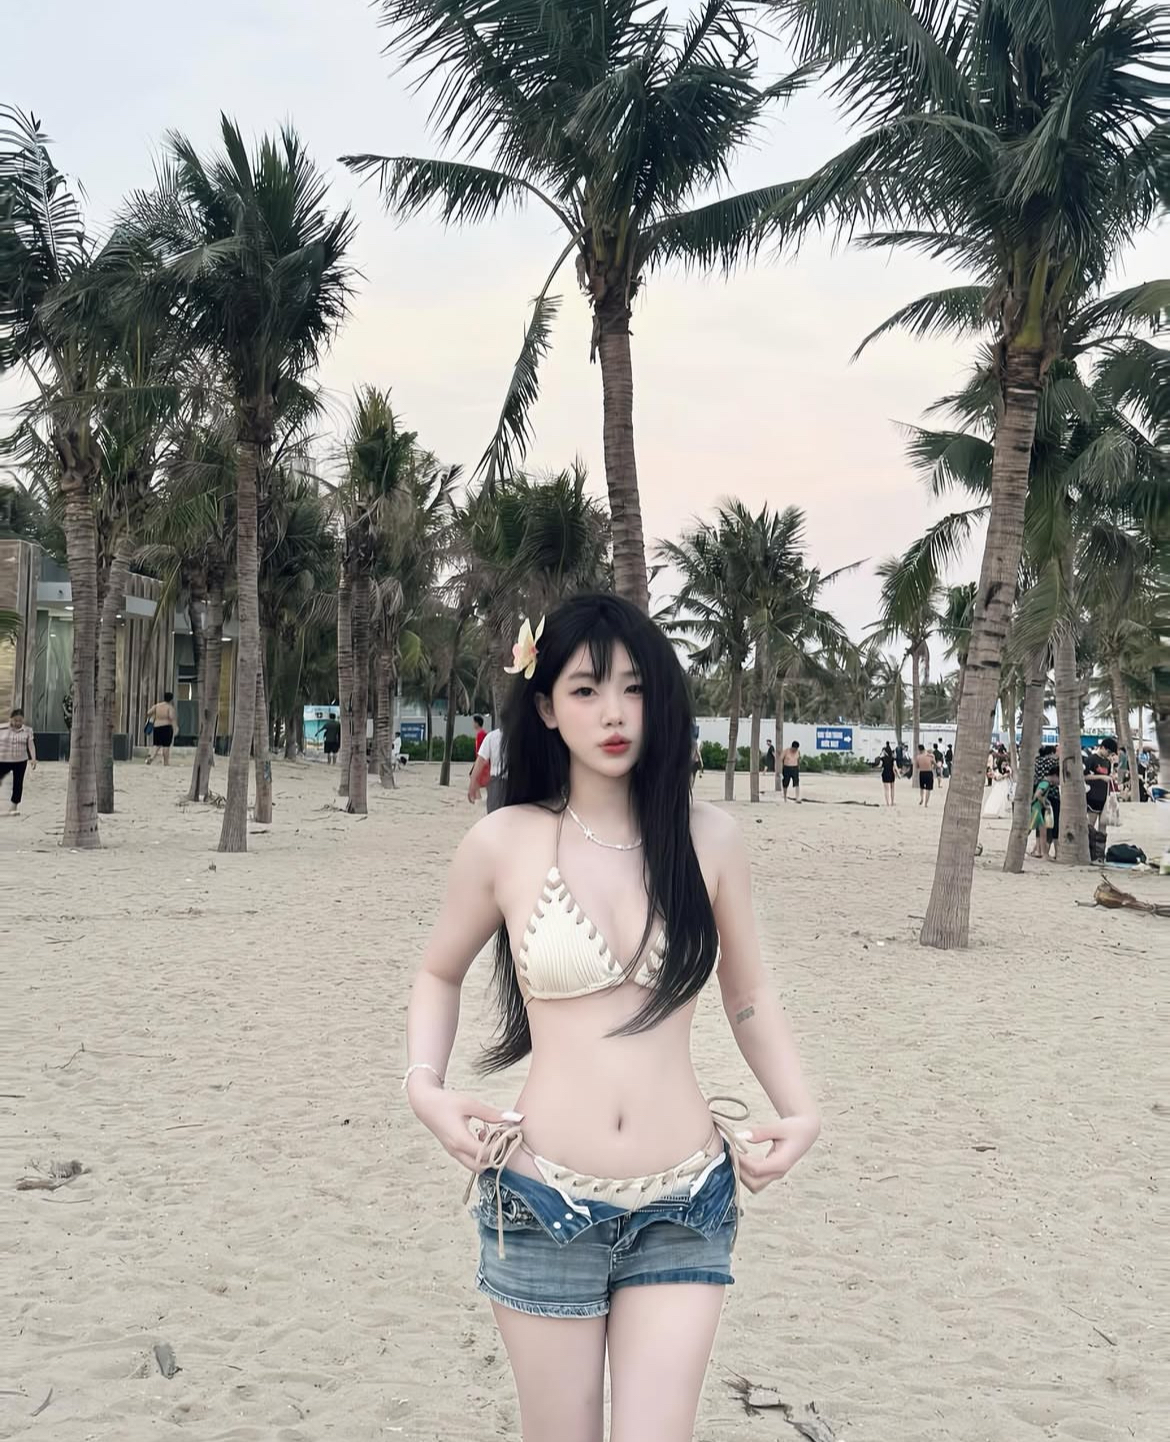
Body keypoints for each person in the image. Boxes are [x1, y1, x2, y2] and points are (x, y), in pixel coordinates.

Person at [402, 594, 820, 1440]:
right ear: (547, 708)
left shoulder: (710, 838)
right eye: (586, 690)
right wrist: (425, 1087)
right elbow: (438, 972)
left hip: (688, 1201)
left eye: (633, 688)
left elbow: (748, 992)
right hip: (541, 1200)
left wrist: (801, 1108)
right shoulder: (504, 842)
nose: (615, 712)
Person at [0, 708, 37, 816]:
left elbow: (31, 745)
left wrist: (33, 758)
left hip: (20, 761)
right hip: (3, 760)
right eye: (15, 720)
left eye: (20, 720)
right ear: (11, 719)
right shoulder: (2, 728)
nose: (18, 723)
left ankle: (14, 806)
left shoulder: (28, 730)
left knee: (18, 783)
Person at [469, 726, 507, 812]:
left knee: (494, 813)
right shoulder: (523, 735)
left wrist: (472, 783)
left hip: (497, 781)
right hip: (517, 781)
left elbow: (481, 760)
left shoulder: (492, 736)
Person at [1033, 745, 1062, 855]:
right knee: (1053, 824)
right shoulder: (1054, 762)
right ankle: (1054, 851)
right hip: (1052, 794)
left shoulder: (1036, 762)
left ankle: (1039, 850)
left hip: (1039, 792)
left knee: (1040, 826)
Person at [145, 692, 178, 766]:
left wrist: (155, 715)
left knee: (156, 744)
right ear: (171, 699)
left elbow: (148, 712)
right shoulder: (169, 707)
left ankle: (151, 757)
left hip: (157, 727)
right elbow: (171, 717)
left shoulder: (157, 706)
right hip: (166, 727)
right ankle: (166, 762)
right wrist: (175, 727)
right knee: (166, 746)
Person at [1030, 779, 1055, 858]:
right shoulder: (1045, 783)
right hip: (1036, 808)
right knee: (1029, 829)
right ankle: (1043, 853)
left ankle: (1041, 852)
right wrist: (1044, 804)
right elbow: (1038, 794)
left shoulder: (1044, 783)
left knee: (1041, 829)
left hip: (1037, 808)